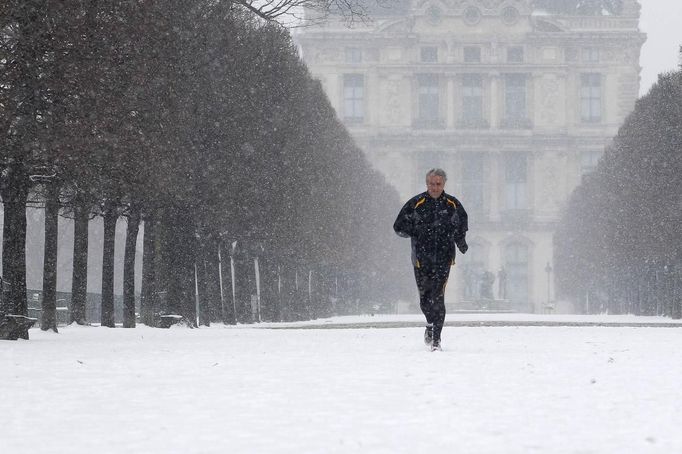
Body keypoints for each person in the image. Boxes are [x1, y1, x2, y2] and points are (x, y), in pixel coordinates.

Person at [393, 168, 468, 351]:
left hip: (443, 257)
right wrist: (416, 233)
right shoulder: (416, 203)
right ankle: (429, 324)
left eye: (438, 184)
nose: (435, 187)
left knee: (438, 296)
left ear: (444, 184)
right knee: (425, 299)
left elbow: (461, 225)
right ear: (426, 184)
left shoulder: (453, 204)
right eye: (431, 184)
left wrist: (461, 242)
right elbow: (398, 226)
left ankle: (436, 340)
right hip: (421, 258)